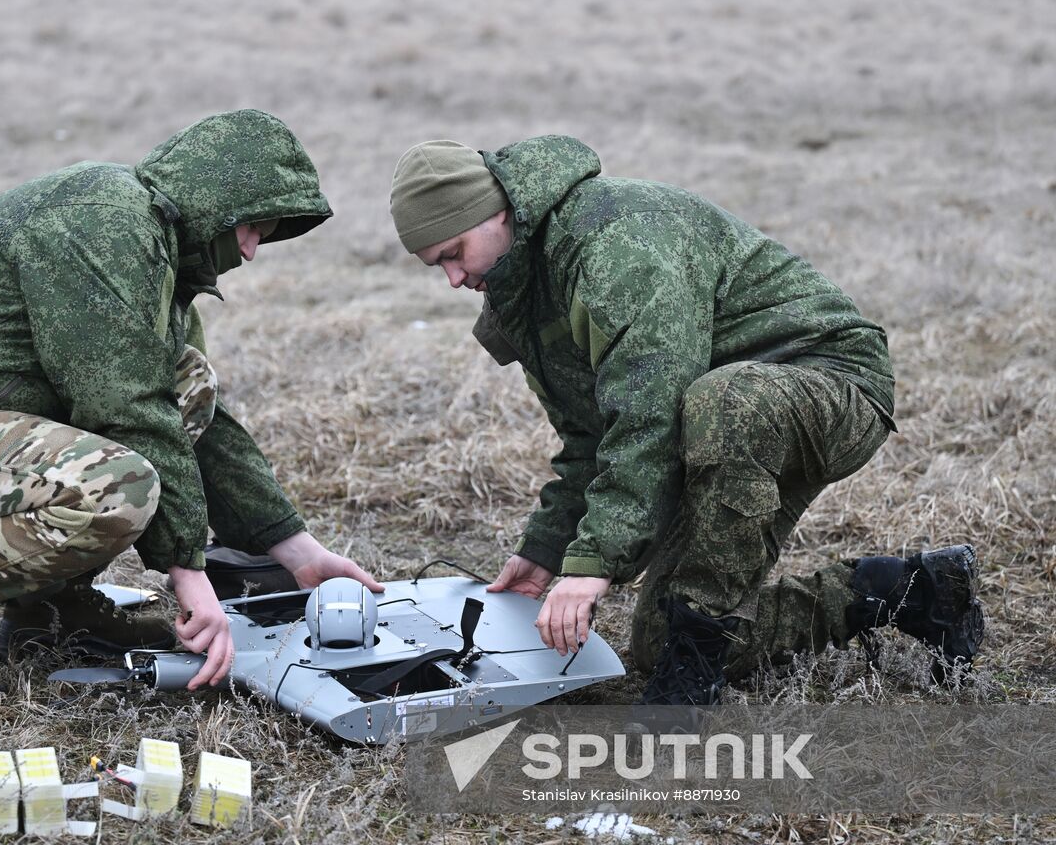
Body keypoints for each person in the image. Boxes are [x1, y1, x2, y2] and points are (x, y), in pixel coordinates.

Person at [388, 137, 982, 705]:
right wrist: (549, 550)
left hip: (827, 382)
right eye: (435, 266)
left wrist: (593, 565)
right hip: (719, 424)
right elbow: (594, 435)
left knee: (724, 404)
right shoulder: (523, 290)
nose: (453, 279)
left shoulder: (614, 241)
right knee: (655, 644)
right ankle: (906, 591)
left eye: (453, 253)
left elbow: (651, 413)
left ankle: (693, 671)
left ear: (494, 214)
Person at [0, 109, 381, 702]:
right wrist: (189, 577)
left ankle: (49, 608)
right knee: (115, 486)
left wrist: (297, 550)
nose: (251, 251)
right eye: (255, 227)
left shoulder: (159, 262)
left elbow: (187, 425)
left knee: (189, 383)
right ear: (220, 199)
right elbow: (125, 407)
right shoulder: (102, 220)